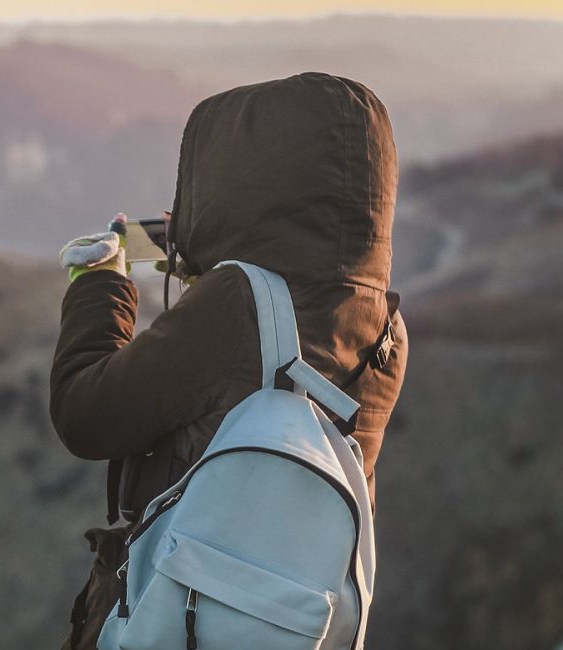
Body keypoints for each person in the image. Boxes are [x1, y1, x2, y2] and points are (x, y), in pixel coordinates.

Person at [50, 72, 409, 650]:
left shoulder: (236, 304)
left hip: (179, 618)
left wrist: (98, 284)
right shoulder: (385, 328)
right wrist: (208, 257)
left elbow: (83, 415)